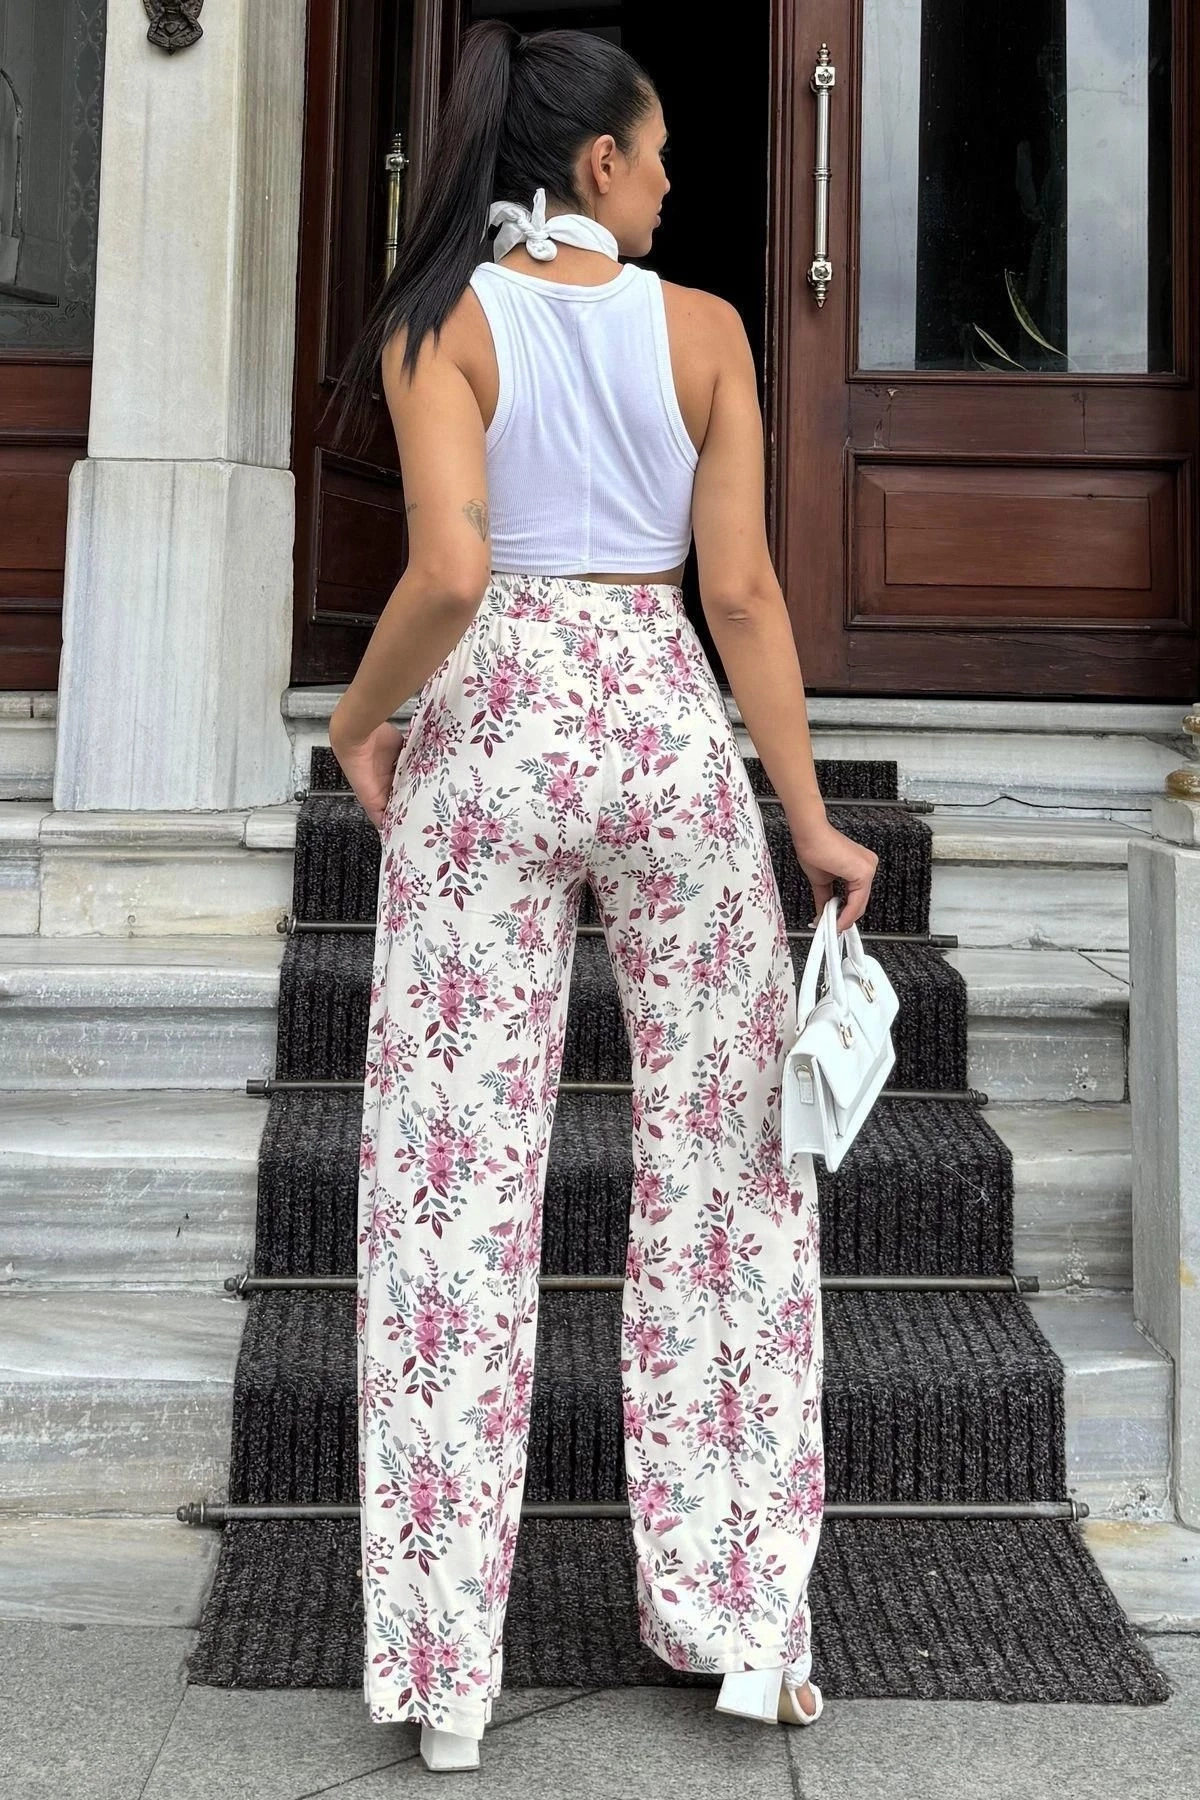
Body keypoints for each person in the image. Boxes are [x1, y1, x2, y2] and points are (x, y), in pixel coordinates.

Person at [326, 19, 877, 1776]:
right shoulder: (706, 331)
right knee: (725, 1187)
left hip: (488, 737)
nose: (671, 183)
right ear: (597, 163)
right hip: (663, 735)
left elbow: (449, 571)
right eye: (658, 156)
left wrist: (356, 721)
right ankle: (748, 1629)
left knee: (453, 1196)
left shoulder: (440, 324)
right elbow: (747, 596)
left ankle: (444, 1679)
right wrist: (809, 820)